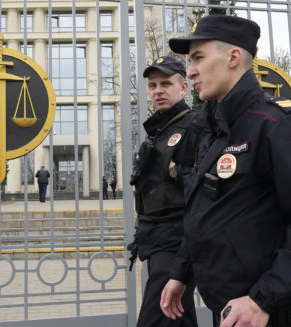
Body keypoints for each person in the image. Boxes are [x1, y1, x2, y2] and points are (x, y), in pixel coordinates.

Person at [160, 15, 291, 327]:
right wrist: (181, 271)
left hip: (269, 314)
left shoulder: (277, 126)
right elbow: (206, 213)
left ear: (233, 57)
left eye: (198, 58)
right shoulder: (212, 129)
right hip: (232, 312)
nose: (190, 72)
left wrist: (263, 298)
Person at [129, 56, 198, 327]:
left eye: (166, 83)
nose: (158, 90)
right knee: (178, 314)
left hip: (177, 239)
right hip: (156, 237)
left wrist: (177, 170)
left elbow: (208, 178)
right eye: (153, 85)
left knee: (158, 315)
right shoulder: (157, 129)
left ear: (183, 88)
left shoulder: (195, 124)